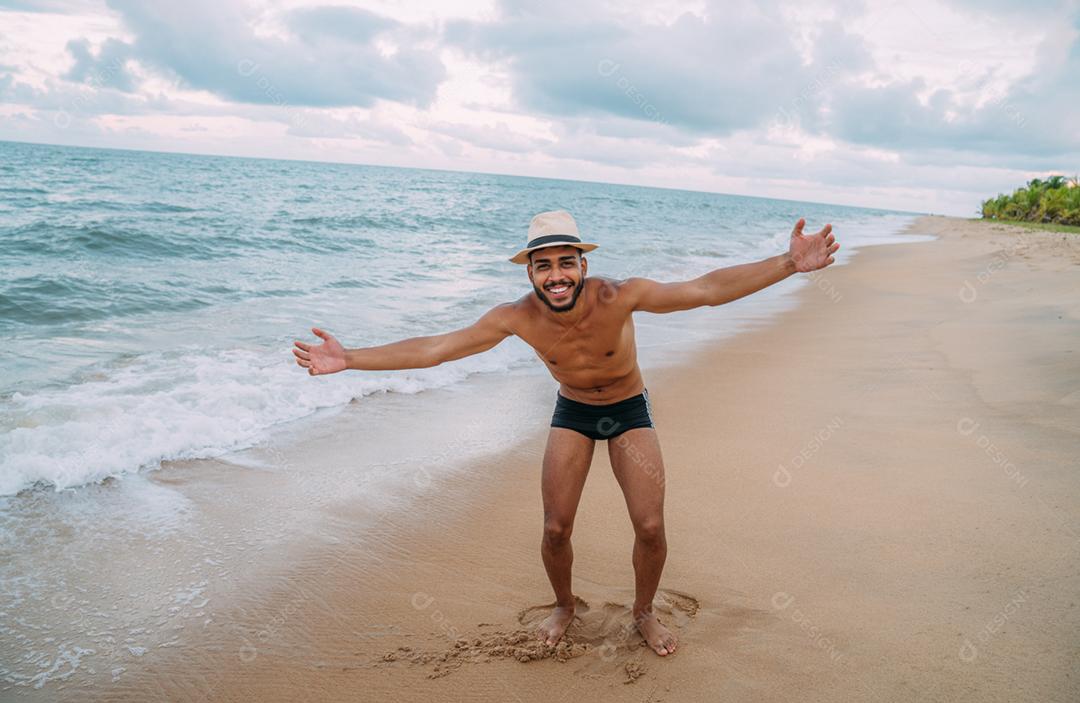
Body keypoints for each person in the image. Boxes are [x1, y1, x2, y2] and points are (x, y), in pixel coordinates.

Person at [292, 209, 839, 657]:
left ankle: (644, 612)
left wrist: (788, 263)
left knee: (649, 525)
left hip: (628, 410)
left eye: (566, 263)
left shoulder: (618, 295)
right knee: (556, 529)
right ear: (529, 273)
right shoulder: (515, 317)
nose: (556, 275)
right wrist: (352, 359)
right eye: (543, 266)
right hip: (573, 413)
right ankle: (564, 605)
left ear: (582, 265)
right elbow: (437, 348)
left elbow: (704, 290)